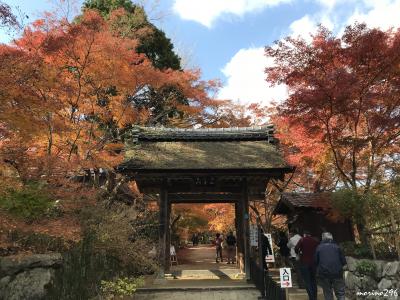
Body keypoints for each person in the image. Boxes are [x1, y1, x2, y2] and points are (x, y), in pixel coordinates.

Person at [315, 232, 347, 300]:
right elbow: (343, 261)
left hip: (324, 274)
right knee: (340, 293)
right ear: (331, 238)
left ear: (323, 238)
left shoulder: (319, 248)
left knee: (328, 293)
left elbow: (315, 261)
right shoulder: (337, 247)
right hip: (337, 273)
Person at [295, 230, 319, 300]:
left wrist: (299, 252)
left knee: (307, 281)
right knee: (313, 280)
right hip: (314, 263)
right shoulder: (315, 240)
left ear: (304, 234)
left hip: (304, 262)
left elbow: (296, 248)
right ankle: (315, 297)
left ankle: (311, 297)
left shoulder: (302, 239)